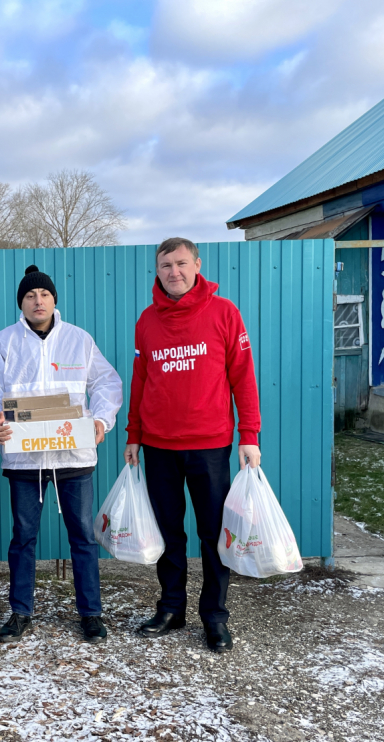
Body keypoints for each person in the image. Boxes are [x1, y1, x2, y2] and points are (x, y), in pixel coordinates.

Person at [124, 237, 261, 654]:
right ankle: (171, 608)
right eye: (165, 266)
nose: (174, 272)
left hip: (211, 444)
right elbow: (141, 380)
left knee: (213, 535)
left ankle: (215, 617)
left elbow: (243, 375)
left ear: (197, 265)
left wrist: (249, 435)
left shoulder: (224, 312)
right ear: (157, 270)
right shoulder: (147, 321)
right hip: (159, 446)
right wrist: (133, 434)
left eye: (181, 264)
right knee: (168, 533)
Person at [0, 265, 123, 645]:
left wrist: (102, 421)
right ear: (21, 303)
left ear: (54, 299)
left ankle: (91, 613)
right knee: (23, 537)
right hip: (25, 460)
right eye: (29, 296)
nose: (37, 301)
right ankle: (20, 612)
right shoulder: (5, 342)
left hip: (74, 457)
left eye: (43, 294)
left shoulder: (79, 339)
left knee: (83, 537)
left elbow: (106, 381)